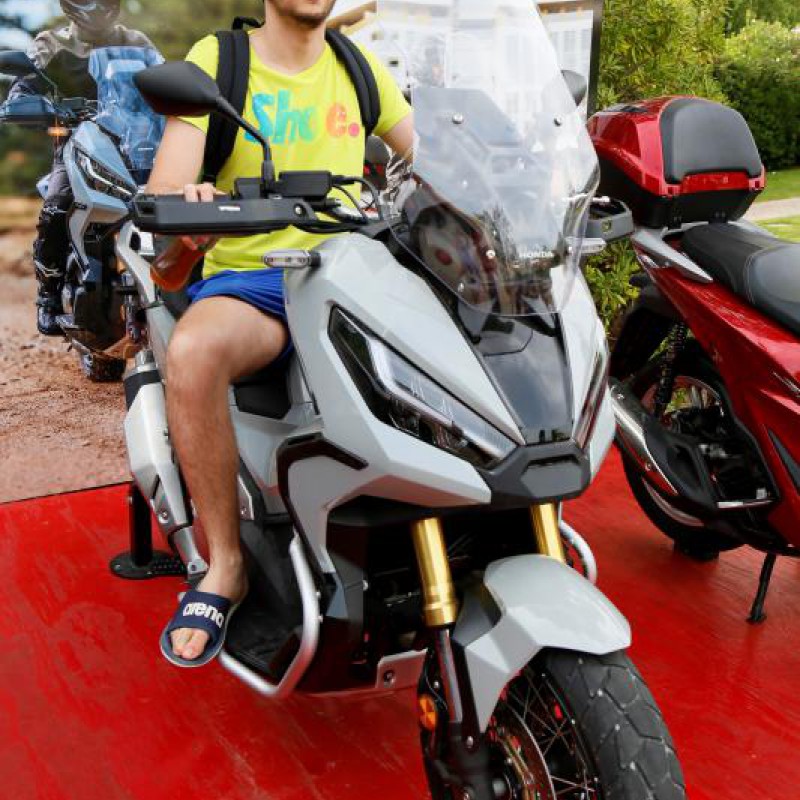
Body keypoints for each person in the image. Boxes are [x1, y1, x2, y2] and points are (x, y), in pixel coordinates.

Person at [147, 0, 413, 667]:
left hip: (355, 275)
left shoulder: (359, 67)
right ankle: (226, 565)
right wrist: (193, 206)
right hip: (259, 281)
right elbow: (167, 187)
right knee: (194, 352)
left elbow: (434, 159)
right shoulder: (221, 61)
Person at [7, 0, 153, 335]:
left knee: (174, 201)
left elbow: (166, 80)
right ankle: (48, 294)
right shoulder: (51, 43)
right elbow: (23, 85)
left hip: (136, 144)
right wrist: (24, 101)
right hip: (78, 143)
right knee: (57, 206)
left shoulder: (136, 42)